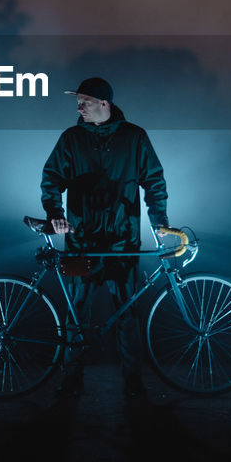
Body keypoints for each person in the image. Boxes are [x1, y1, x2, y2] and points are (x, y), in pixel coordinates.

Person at [40, 76, 169, 400]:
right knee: (76, 311)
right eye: (78, 101)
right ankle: (71, 378)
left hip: (122, 244)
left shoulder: (134, 137)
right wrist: (55, 212)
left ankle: (133, 381)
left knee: (127, 313)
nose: (78, 106)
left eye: (84, 100)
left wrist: (160, 222)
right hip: (80, 241)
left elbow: (154, 181)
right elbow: (51, 178)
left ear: (104, 103)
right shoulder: (72, 138)